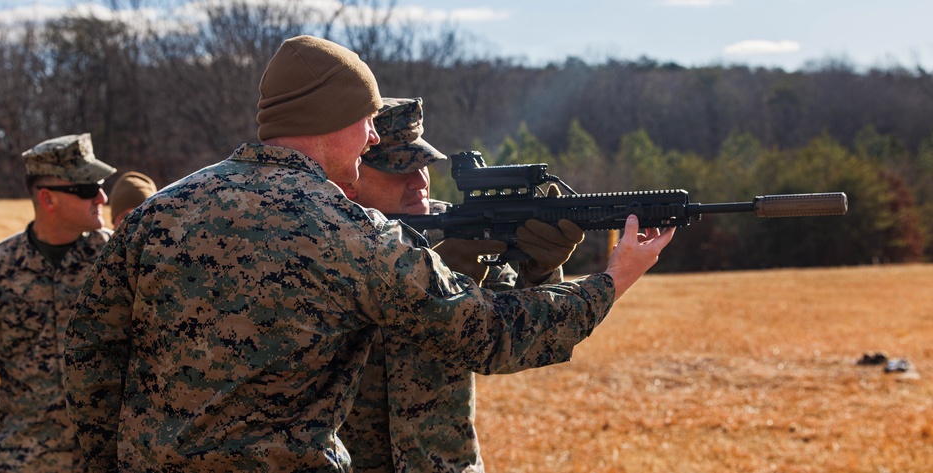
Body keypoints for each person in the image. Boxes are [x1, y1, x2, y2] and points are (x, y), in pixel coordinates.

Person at [63, 35, 674, 472]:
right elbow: (491, 333)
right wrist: (614, 277)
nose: (375, 136)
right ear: (330, 119)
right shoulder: (348, 232)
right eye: (366, 121)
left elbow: (90, 353)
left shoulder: (154, 215)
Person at [335, 97, 585, 472]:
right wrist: (436, 279)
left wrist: (541, 270)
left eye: (422, 165)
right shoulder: (326, 240)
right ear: (349, 178)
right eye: (399, 169)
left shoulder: (462, 228)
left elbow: (514, 339)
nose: (419, 181)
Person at [0, 133, 116, 473]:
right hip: (23, 460)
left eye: (101, 185)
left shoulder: (118, 262)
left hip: (107, 462)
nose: (102, 197)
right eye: (87, 189)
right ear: (48, 199)